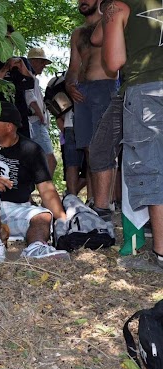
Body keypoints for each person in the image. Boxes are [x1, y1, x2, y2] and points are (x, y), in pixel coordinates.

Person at [0, 101, 69, 264]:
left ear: (9, 127)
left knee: (43, 215)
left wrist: (63, 222)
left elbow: (47, 191)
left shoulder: (32, 150)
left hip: (16, 209)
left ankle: (36, 247)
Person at [100, 0, 163, 266]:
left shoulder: (120, 6)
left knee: (152, 168)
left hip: (145, 90)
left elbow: (113, 62)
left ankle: (161, 253)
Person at [66, 0, 118, 204]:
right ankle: (93, 200)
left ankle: (108, 202)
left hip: (105, 87)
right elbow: (73, 66)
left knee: (104, 148)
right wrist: (69, 85)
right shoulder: (77, 33)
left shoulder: (111, 23)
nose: (82, 2)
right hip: (81, 93)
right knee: (88, 149)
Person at [25, 48, 57, 177]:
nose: (43, 65)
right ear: (31, 61)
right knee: (50, 160)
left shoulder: (34, 80)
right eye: (41, 62)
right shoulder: (28, 78)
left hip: (36, 123)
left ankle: (31, 193)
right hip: (35, 123)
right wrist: (40, 116)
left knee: (31, 160)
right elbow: (30, 98)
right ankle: (46, 192)